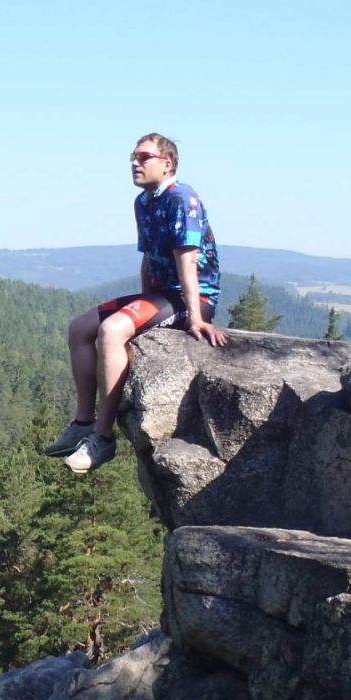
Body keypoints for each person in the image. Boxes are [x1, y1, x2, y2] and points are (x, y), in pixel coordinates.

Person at [46, 133, 226, 473]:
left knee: (112, 331)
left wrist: (197, 315)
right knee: (80, 328)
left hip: (192, 295)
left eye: (144, 157)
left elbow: (187, 259)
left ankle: (102, 437)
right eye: (134, 156)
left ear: (167, 163)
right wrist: (142, 308)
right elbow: (149, 258)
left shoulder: (182, 199)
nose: (135, 163)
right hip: (160, 295)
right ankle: (83, 422)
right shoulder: (144, 203)